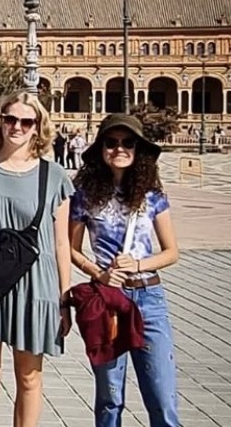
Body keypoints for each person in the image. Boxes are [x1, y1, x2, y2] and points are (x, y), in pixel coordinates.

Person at [0, 91, 74, 427]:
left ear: (38, 127)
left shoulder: (54, 176)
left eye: (26, 121)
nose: (17, 127)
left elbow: (62, 243)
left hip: (35, 287)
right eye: (10, 119)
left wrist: (64, 299)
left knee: (29, 380)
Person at [69, 114, 180, 427]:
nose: (119, 149)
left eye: (127, 142)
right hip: (109, 300)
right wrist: (98, 273)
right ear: (102, 148)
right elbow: (70, 249)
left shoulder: (153, 197)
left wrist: (139, 264)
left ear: (138, 149)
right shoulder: (85, 196)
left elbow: (172, 252)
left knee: (161, 395)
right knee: (110, 397)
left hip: (149, 298)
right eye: (111, 142)